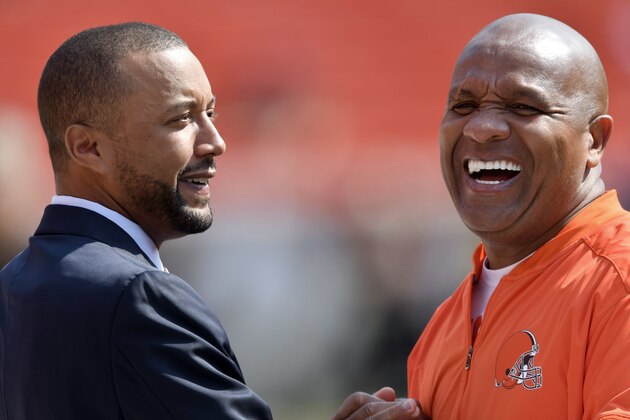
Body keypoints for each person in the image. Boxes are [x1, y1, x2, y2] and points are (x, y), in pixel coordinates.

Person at [332, 13, 630, 419]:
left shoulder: (619, 283)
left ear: (593, 140)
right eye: (464, 105)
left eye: (523, 106)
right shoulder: (443, 325)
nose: (482, 127)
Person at [0, 23, 273, 419]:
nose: (215, 141)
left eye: (209, 112)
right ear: (88, 147)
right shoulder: (138, 295)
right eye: (181, 119)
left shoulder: (13, 284)